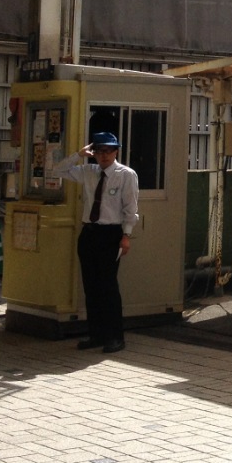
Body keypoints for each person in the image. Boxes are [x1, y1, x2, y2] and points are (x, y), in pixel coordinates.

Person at [54, 131, 139, 353]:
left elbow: (131, 208)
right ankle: (96, 335)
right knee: (91, 286)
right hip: (89, 233)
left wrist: (126, 236)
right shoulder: (88, 171)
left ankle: (115, 337)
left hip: (111, 234)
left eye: (109, 151)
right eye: (99, 151)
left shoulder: (126, 174)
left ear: (116, 151)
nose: (104, 156)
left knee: (108, 286)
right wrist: (78, 155)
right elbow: (57, 170)